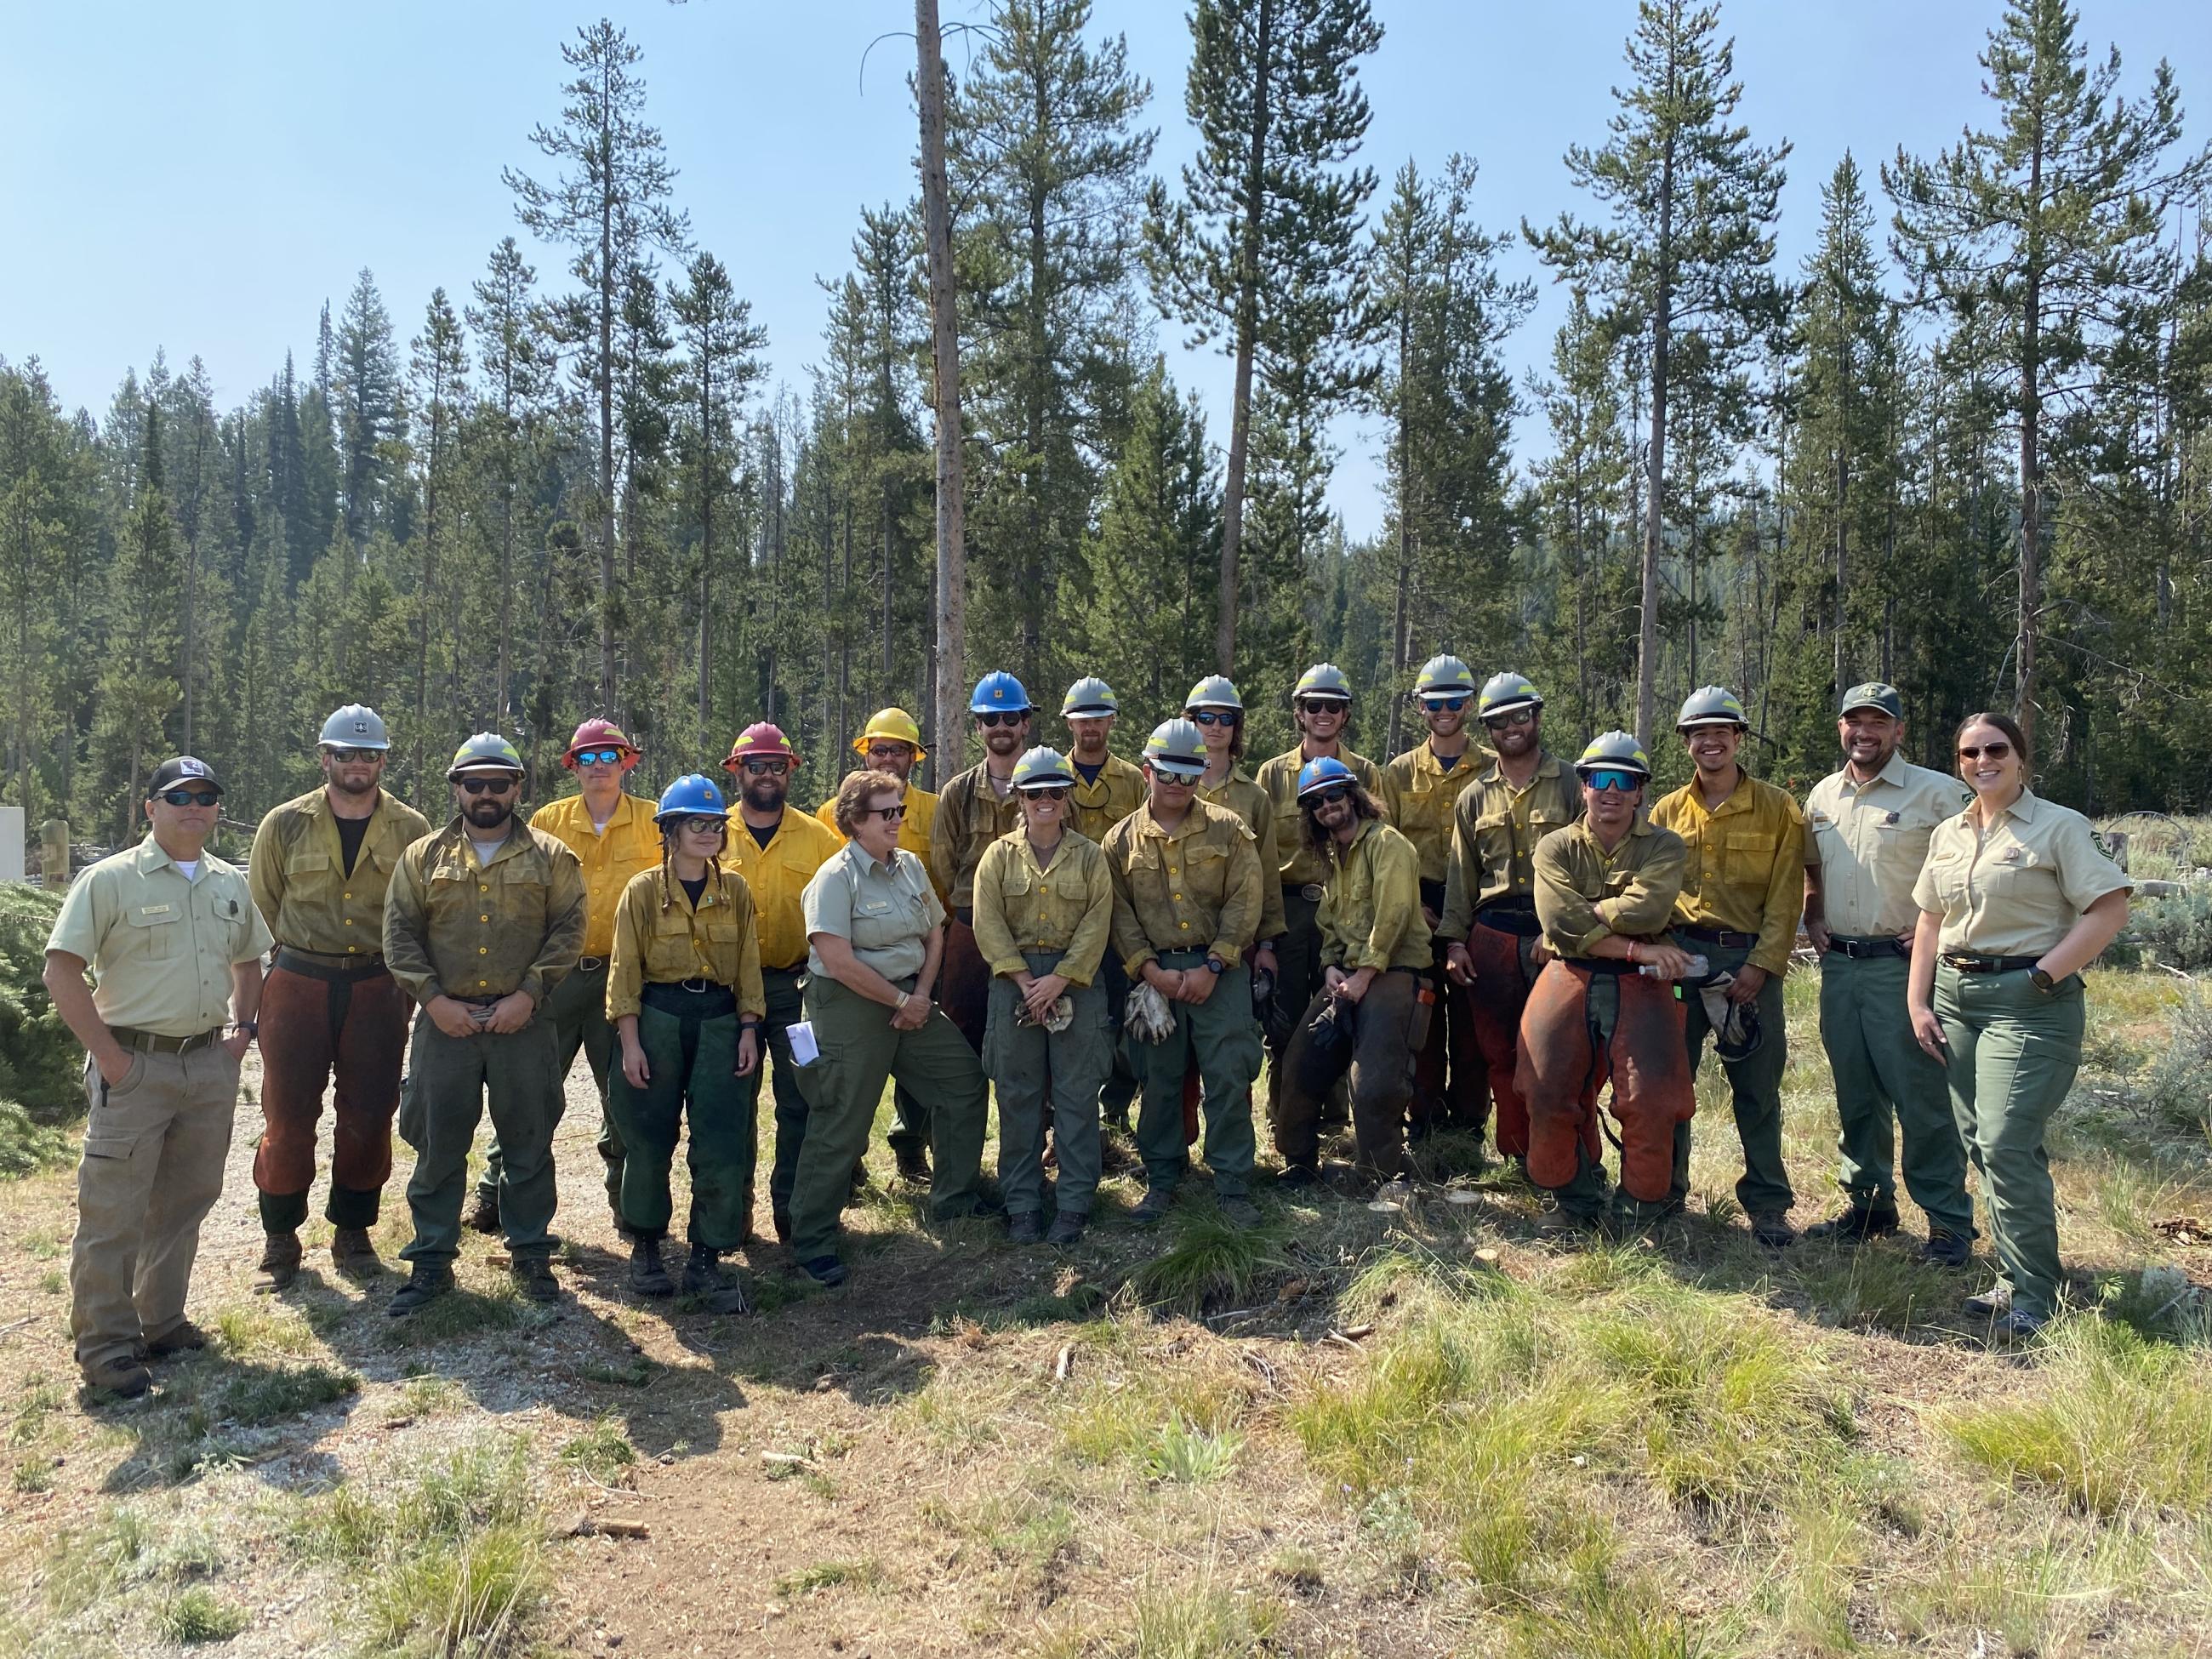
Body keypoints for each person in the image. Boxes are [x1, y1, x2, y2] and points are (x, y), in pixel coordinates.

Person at [45, 757, 271, 1397]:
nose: (194, 807)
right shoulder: (110, 880)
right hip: (134, 1066)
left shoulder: (229, 881)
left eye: (206, 796)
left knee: (185, 1200)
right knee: (114, 1210)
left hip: (206, 1064)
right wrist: (112, 1060)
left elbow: (251, 961)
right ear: (151, 808)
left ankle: (161, 1322)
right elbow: (61, 970)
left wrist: (241, 1034)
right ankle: (106, 1346)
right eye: (179, 796)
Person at [1908, 711, 2129, 1340]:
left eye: (1996, 749)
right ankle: (2012, 1277)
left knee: (2006, 1142)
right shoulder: (1949, 832)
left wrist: (2045, 976)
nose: (1983, 762)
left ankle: (2037, 1294)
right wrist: (1918, 1003)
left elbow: (2109, 908)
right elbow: (1928, 919)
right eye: (1969, 753)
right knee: (1983, 1144)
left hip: (2028, 1003)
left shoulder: (2059, 826)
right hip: (1955, 999)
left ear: (2021, 756)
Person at [384, 734, 586, 1314]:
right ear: (458, 789)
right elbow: (398, 932)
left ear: (518, 788)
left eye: (500, 783)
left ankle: (530, 1255)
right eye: (475, 784)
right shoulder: (423, 857)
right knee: (438, 1144)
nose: (488, 794)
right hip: (446, 1022)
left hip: (522, 1021)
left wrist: (529, 993)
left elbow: (570, 928)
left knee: (528, 1143)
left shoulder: (551, 856)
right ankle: (430, 1263)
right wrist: (432, 1001)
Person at [247, 705, 429, 1289]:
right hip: (298, 980)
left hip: (378, 984)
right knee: (288, 1114)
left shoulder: (410, 828)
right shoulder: (285, 824)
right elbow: (261, 909)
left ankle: (352, 1230)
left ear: (382, 760)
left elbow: (421, 911)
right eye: (345, 753)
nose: (357, 764)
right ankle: (281, 1237)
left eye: (368, 754)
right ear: (324, 757)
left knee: (371, 1114)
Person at [790, 770, 995, 1286]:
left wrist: (921, 996)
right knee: (842, 1118)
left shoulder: (908, 868)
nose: (898, 820)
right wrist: (900, 999)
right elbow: (836, 959)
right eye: (887, 813)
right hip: (849, 1005)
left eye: (900, 810)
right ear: (856, 822)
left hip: (912, 997)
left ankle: (954, 1201)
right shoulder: (835, 878)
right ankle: (812, 1240)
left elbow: (934, 933)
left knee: (963, 1084)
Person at [1800, 683, 1975, 1262]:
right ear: (1840, 728)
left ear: (1899, 730)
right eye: (1855, 721)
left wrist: (1943, 930)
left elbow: (1978, 872)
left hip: (1905, 971)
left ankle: (1948, 1223)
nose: (1865, 732)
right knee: (1855, 1094)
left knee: (1920, 1099)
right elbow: (1813, 867)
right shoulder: (1823, 797)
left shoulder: (1940, 795)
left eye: (1878, 722)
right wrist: (1813, 911)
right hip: (1840, 969)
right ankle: (1869, 1205)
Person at [467, 719, 658, 1239]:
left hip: (625, 977)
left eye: (610, 757)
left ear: (627, 762)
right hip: (555, 975)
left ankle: (626, 1200)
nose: (600, 768)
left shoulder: (654, 822)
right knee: (529, 1090)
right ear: (573, 766)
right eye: (589, 759)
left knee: (624, 1091)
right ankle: (494, 1193)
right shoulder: (547, 822)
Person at [1518, 733, 1698, 1235]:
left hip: (1644, 985)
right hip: (1576, 972)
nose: (1612, 790)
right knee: (1544, 1089)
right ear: (1584, 787)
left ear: (1640, 791)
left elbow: (1649, 908)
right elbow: (1560, 922)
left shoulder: (1664, 844)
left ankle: (1641, 1208)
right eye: (1601, 778)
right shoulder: (1555, 845)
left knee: (1654, 1099)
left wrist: (1577, 920)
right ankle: (1576, 1199)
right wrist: (1637, 947)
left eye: (1625, 780)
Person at [1649, 686, 1810, 1248]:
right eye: (1698, 733)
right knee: (1671, 1086)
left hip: (1747, 962)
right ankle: (1664, 1193)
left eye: (1721, 731)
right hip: (1681, 959)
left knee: (1757, 1090)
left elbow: (1788, 895)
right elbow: (1652, 892)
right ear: (1687, 743)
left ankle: (1768, 1205)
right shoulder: (1668, 810)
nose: (1709, 742)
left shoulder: (1777, 809)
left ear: (1739, 738)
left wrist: (1762, 966)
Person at [605, 774, 762, 1314]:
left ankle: (706, 1258)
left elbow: (747, 967)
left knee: (720, 1139)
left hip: (720, 1022)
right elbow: (624, 970)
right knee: (647, 1136)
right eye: (696, 823)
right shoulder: (643, 891)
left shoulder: (735, 890)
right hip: (658, 1018)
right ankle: (646, 1247)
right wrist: (630, 1042)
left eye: (716, 824)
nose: (709, 833)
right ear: (670, 830)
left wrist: (748, 1028)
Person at [1102, 720, 1267, 1228]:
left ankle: (1233, 1185)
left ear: (1201, 773)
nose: (1177, 784)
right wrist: (1149, 970)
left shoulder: (1230, 829)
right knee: (1160, 1081)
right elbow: (1120, 915)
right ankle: (1162, 1179)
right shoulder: (1119, 841)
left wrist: (1215, 963)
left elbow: (1246, 899)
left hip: (1221, 970)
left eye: (1188, 774)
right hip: (1156, 977)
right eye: (1166, 773)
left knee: (1227, 1076)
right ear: (1147, 770)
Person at [1437, 673, 1580, 1172]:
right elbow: (1462, 876)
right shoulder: (1473, 797)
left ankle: (1569, 1160)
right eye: (1499, 721)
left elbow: (1592, 867)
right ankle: (1520, 1157)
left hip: (1554, 938)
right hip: (1493, 936)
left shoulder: (1570, 783)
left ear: (1537, 717)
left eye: (1520, 716)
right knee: (1499, 1054)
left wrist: (1562, 932)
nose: (1511, 728)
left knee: (1561, 1056)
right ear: (1489, 729)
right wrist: (1455, 943)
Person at [972, 747, 1115, 1245]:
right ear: (1020, 797)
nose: (1046, 801)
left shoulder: (1092, 857)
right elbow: (986, 921)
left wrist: (1063, 978)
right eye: (1035, 793)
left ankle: (1074, 1205)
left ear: (1068, 798)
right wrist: (1022, 979)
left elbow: (1098, 923)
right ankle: (1023, 1203)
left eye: (1056, 792)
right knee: (1017, 1096)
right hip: (1014, 984)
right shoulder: (997, 856)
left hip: (1075, 981)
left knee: (1077, 1096)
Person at [1274, 757, 1433, 1189]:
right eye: (1316, 803)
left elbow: (1394, 915)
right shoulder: (1335, 857)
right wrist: (1329, 967)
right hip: (1346, 978)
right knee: (1300, 1061)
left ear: (1353, 796)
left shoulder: (1388, 844)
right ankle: (1300, 1163)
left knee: (1373, 1084)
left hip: (1394, 975)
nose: (1327, 806)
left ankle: (1380, 1178)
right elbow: (1329, 923)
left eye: (1334, 795)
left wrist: (1363, 976)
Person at [720, 721, 844, 1240]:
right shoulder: (711, 832)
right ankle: (730, 1215)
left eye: (776, 766)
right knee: (730, 1104)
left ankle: (794, 1213)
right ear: (737, 772)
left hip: (797, 991)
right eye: (756, 766)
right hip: (726, 995)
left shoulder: (819, 839)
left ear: (790, 772)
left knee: (801, 1101)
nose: (766, 775)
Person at [817, 706, 942, 1178]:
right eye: (879, 749)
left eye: (899, 750)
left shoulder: (933, 808)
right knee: (852, 1078)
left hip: (918, 953)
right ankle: (849, 1166)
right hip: (853, 960)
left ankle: (911, 1146)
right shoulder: (833, 810)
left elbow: (940, 877)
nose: (888, 758)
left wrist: (929, 970)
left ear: (915, 757)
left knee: (919, 1071)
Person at [1254, 664, 1382, 1123]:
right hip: (1288, 909)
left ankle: (1332, 1117)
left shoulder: (1365, 772)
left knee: (1340, 1011)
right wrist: (1266, 934)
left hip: (1347, 908)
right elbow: (1262, 859)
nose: (1323, 714)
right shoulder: (1272, 775)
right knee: (1284, 1020)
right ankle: (1284, 1115)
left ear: (1345, 714)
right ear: (1300, 713)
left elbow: (1378, 850)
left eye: (1333, 706)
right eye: (1314, 706)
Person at [1378, 655, 1488, 1141]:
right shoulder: (1397, 775)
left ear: (1469, 704)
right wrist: (1409, 903)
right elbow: (1385, 847)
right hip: (1416, 905)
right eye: (1434, 702)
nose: (1445, 710)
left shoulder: (1491, 768)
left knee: (1471, 1023)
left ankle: (1467, 1125)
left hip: (1476, 906)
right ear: (1419, 707)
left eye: (1455, 701)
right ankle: (1421, 1120)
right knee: (1421, 1018)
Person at [1060, 676, 1147, 1133]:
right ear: (1069, 723)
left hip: (1118, 919)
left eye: (1098, 717)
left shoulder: (1133, 780)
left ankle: (1114, 1112)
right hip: (1061, 921)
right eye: (1081, 718)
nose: (1089, 726)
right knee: (1069, 1020)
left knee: (1123, 1017)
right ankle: (1066, 1120)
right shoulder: (1051, 776)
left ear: (1112, 720)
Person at [931, 672, 1034, 1055]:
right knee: (960, 1039)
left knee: (1031, 1041)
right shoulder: (958, 792)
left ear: (1026, 723)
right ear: (978, 726)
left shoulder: (1050, 788)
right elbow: (944, 865)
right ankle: (962, 1117)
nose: (1001, 727)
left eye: (1010, 718)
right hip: (969, 932)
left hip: (1032, 933)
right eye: (991, 719)